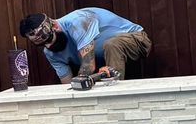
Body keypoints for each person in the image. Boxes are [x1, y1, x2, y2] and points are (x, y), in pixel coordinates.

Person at [19, 8, 150, 85]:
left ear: (54, 26)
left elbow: (88, 66)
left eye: (49, 39)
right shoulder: (50, 53)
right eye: (43, 44)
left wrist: (79, 83)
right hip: (106, 61)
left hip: (137, 39)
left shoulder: (77, 21)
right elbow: (67, 84)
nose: (49, 45)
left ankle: (115, 97)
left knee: (111, 44)